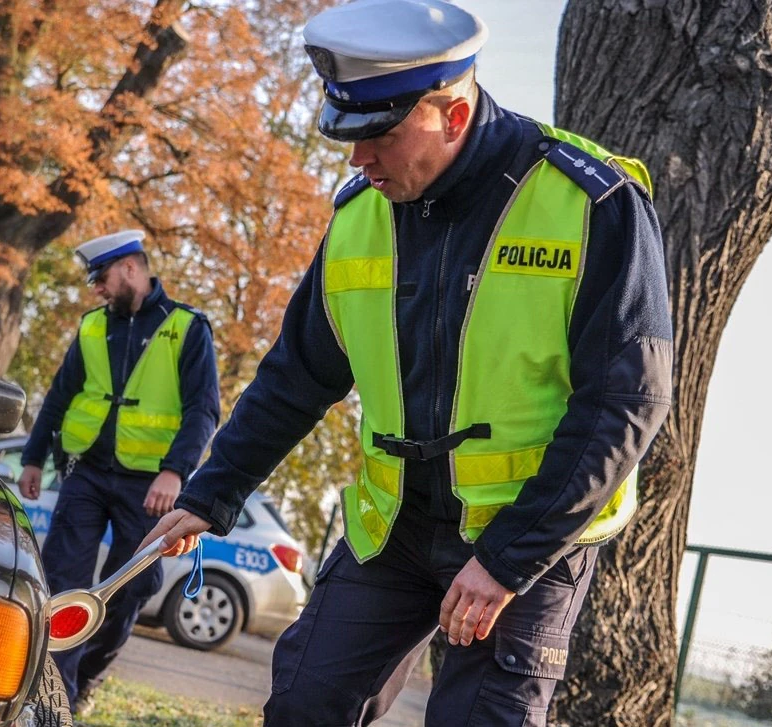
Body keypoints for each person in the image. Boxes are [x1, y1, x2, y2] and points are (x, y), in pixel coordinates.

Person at [142, 1, 673, 725]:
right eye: (348, 135)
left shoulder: (591, 201)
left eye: (381, 136)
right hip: (393, 529)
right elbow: (297, 375)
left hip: (527, 532)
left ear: (452, 115)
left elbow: (626, 401)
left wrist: (508, 559)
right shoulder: (359, 214)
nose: (358, 159)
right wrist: (211, 493)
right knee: (304, 703)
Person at [17, 230, 220, 712]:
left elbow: (203, 410)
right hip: (85, 474)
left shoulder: (187, 327)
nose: (97, 289)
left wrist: (175, 472)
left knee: (131, 590)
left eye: (101, 277)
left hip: (150, 486)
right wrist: (33, 457)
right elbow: (60, 395)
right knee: (64, 584)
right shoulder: (92, 327)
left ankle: (85, 677)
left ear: (131, 268)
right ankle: (55, 701)